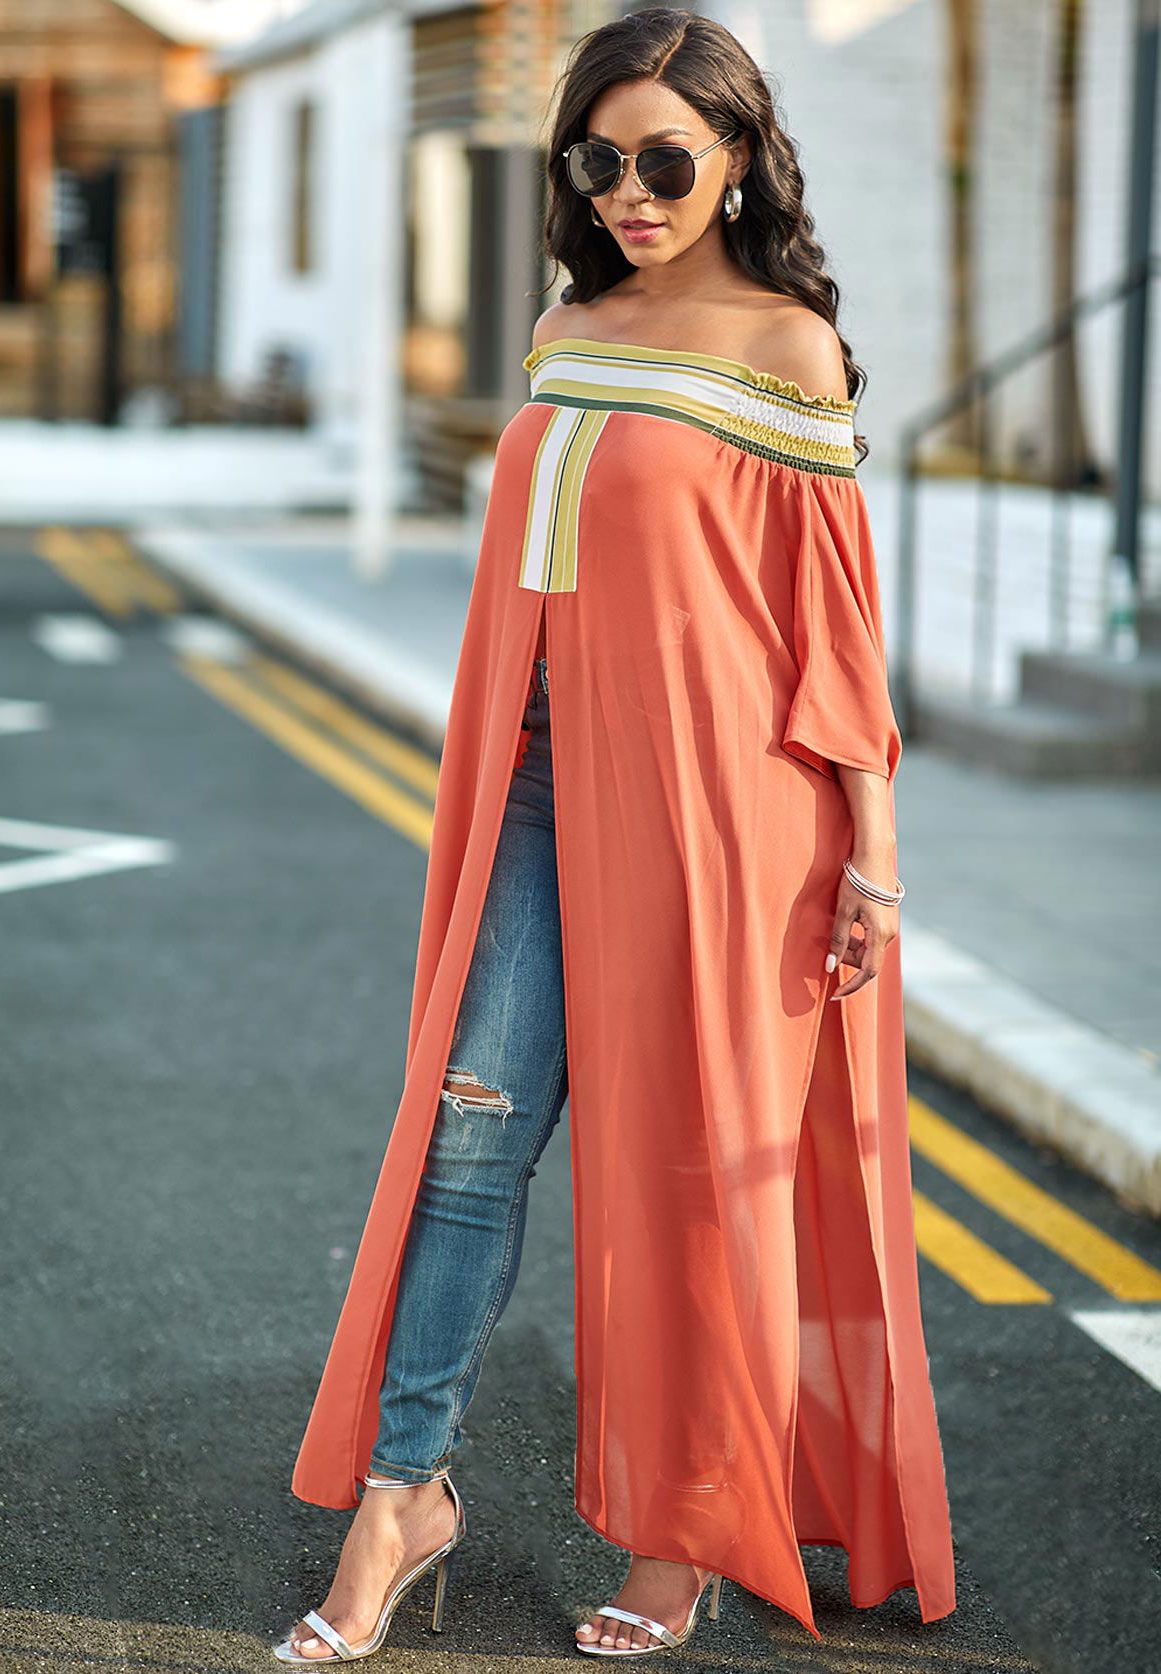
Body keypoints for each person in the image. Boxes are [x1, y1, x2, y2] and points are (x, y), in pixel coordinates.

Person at [274, 8, 957, 1664]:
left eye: (668, 158)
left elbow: (832, 623)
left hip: (725, 821)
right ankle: (404, 1493)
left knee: (691, 1175)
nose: (635, 189)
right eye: (602, 158)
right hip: (532, 787)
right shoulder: (569, 322)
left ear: (736, 158)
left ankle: (689, 1527)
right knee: (469, 1139)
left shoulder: (787, 345)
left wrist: (871, 852)